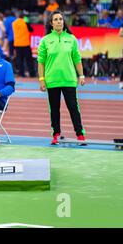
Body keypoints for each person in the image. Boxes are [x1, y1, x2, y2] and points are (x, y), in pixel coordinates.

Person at [37, 10, 87, 146]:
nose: (59, 21)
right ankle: (56, 134)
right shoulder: (45, 40)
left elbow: (77, 58)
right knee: (54, 109)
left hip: (69, 79)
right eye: (56, 19)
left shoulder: (71, 39)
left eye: (61, 19)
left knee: (73, 108)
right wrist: (41, 79)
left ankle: (80, 134)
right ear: (51, 23)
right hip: (52, 81)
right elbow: (40, 62)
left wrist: (81, 75)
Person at [13, 12, 36, 77]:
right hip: (25, 44)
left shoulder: (14, 23)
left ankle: (21, 73)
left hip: (17, 44)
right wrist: (27, 21)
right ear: (24, 17)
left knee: (19, 60)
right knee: (29, 60)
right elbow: (31, 30)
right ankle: (32, 74)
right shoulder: (25, 22)